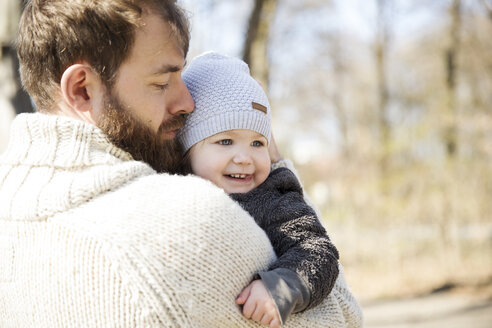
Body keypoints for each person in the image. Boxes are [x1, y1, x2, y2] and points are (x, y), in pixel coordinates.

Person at [0, 0, 363, 327]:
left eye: (181, 75)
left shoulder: (10, 210)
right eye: (162, 81)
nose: (188, 101)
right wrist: (278, 163)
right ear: (82, 88)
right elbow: (343, 317)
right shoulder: (186, 221)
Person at [178, 52, 340, 327]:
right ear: (187, 149)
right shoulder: (168, 193)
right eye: (225, 141)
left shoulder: (273, 197)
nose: (245, 158)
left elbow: (317, 251)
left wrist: (280, 288)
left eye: (257, 143)